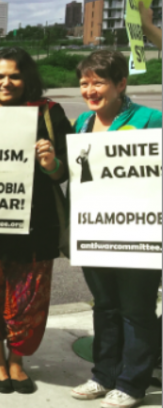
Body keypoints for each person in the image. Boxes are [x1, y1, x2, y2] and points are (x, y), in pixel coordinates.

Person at [0, 47, 72, 395]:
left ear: (27, 79)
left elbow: (67, 171)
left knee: (29, 301)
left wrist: (51, 164)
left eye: (14, 75)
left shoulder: (49, 114)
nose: (6, 82)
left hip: (36, 227)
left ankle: (17, 361)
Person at [68, 50, 162, 408]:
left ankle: (133, 383)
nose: (90, 90)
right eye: (84, 83)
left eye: (98, 82)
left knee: (136, 309)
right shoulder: (82, 124)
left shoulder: (151, 119)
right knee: (105, 306)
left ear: (121, 84)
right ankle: (103, 375)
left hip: (138, 232)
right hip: (95, 231)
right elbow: (76, 175)